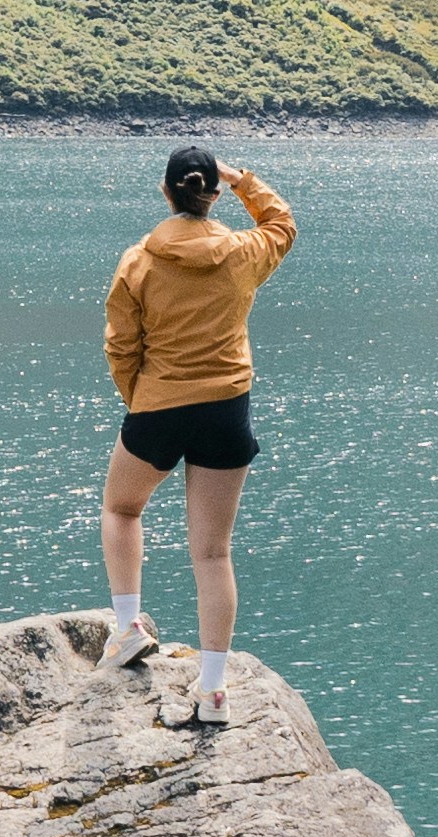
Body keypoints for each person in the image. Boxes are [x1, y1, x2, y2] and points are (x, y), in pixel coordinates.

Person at [99, 146, 295, 729]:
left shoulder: (139, 261)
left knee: (121, 507)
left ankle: (129, 628)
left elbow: (120, 343)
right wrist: (242, 182)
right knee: (212, 553)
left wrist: (139, 397)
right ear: (211, 192)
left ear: (166, 192)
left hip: (158, 406)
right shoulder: (242, 253)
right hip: (227, 410)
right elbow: (282, 223)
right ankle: (213, 694)